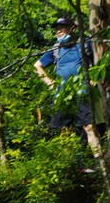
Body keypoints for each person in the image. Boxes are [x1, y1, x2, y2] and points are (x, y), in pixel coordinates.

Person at [34, 16, 102, 156]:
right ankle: (70, 166)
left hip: (82, 93)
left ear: (73, 28)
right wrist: (49, 82)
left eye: (62, 28)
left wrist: (95, 77)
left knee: (89, 127)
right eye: (57, 29)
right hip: (62, 96)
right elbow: (37, 66)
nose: (59, 31)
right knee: (64, 131)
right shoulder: (56, 49)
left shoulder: (84, 44)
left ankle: (100, 161)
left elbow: (100, 59)